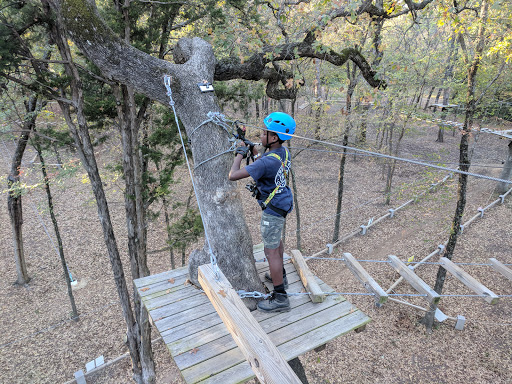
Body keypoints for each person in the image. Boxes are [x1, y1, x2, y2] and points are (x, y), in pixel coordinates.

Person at [228, 112, 296, 312]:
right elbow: (264, 162)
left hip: (273, 210)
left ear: (274, 137)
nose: (261, 136)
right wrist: (254, 150)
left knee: (270, 251)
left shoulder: (267, 161)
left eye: (264, 133)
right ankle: (280, 275)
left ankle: (280, 298)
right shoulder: (281, 153)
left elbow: (233, 175)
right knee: (277, 244)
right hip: (281, 204)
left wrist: (240, 153)